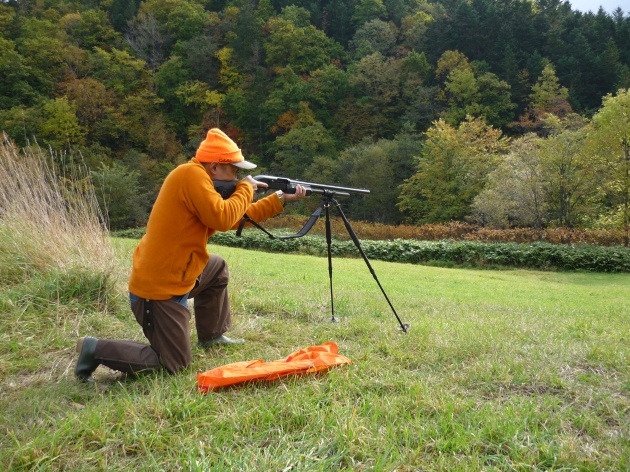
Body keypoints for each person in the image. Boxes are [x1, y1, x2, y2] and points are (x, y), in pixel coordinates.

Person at [75, 128, 307, 382]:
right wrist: (246, 189)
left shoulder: (199, 179)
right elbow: (224, 216)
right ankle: (94, 349)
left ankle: (212, 335)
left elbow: (229, 218)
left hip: (179, 274)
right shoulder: (190, 175)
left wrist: (280, 198)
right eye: (235, 170)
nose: (238, 176)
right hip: (159, 291)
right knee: (173, 366)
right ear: (216, 167)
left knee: (216, 267)